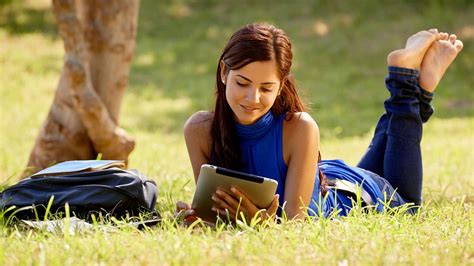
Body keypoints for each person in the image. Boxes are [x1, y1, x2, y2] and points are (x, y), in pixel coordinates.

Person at [176, 23, 463, 222]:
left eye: (266, 88)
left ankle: (403, 79)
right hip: (329, 180)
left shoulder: (299, 127)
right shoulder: (199, 130)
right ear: (224, 72)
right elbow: (212, 209)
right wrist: (195, 217)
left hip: (355, 197)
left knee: (408, 208)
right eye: (243, 83)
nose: (252, 97)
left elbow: (296, 223)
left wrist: (256, 221)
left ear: (281, 86)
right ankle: (419, 88)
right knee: (397, 135)